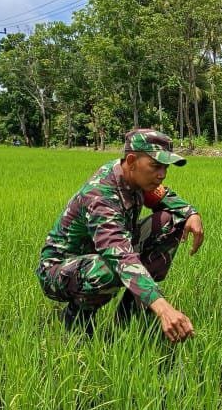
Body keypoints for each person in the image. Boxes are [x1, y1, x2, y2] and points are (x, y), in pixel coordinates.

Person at [36, 128, 204, 341]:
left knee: (169, 223)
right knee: (109, 269)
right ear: (132, 160)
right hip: (59, 270)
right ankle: (77, 321)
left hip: (102, 255)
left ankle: (130, 317)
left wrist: (191, 214)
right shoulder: (101, 196)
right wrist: (163, 308)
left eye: (165, 167)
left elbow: (165, 197)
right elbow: (119, 256)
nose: (162, 174)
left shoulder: (136, 178)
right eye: (155, 166)